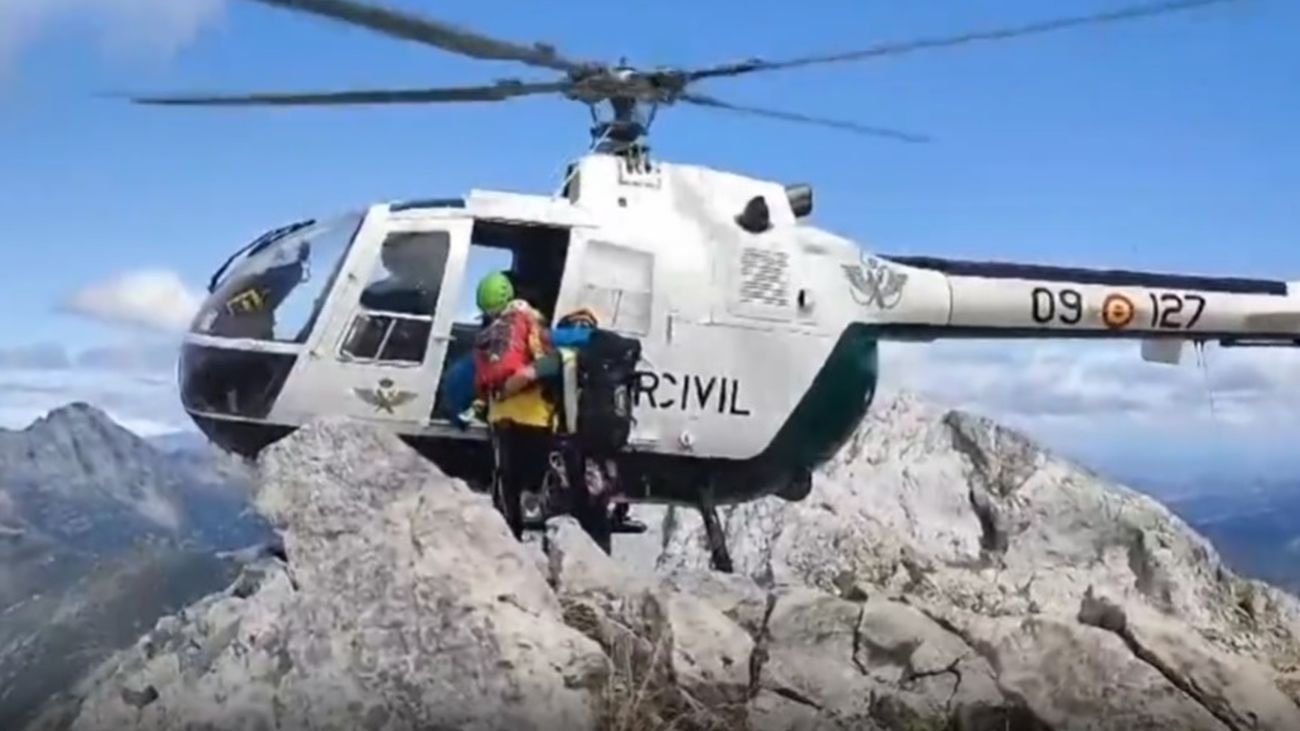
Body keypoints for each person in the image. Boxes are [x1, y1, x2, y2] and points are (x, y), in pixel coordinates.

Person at [472, 270, 561, 542]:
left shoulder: (489, 333)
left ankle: (507, 546)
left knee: (506, 489)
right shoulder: (531, 323)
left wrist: (488, 399)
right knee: (539, 489)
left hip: (502, 417)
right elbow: (548, 364)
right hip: (536, 418)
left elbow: (483, 380)